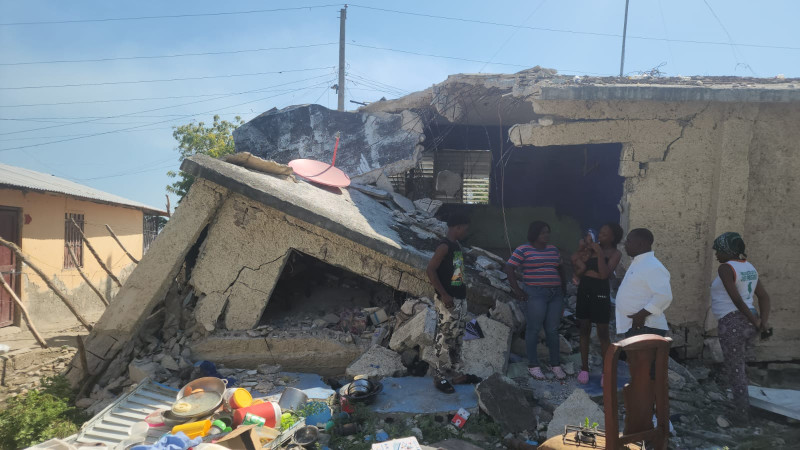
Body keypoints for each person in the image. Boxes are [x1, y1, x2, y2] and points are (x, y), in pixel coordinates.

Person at [710, 232, 771, 418]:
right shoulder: (749, 267)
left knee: (735, 368)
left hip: (732, 321)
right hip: (750, 319)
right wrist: (762, 323)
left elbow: (735, 299)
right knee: (741, 366)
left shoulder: (726, 268)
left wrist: (756, 321)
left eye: (719, 250)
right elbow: (764, 296)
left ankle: (741, 413)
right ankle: (744, 404)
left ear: (728, 251)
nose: (716, 254)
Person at [505, 221, 567, 380]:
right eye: (543, 233)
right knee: (533, 328)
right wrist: (517, 290)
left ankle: (556, 364)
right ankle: (533, 365)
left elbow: (560, 268)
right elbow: (509, 268)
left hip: (555, 294)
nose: (546, 235)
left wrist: (563, 289)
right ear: (534, 234)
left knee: (552, 330)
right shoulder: (523, 249)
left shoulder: (553, 250)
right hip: (535, 293)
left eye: (547, 232)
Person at [572, 223, 623, 385]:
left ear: (613, 237)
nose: (600, 236)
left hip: (600, 291)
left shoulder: (615, 253)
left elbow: (604, 275)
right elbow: (576, 262)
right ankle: (584, 369)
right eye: (600, 233)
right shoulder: (590, 248)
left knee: (602, 332)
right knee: (584, 329)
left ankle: (606, 372)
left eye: (605, 234)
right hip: (585, 289)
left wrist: (600, 254)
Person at [426, 211, 471, 393]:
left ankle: (453, 373)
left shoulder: (456, 245)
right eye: (465, 229)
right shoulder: (444, 246)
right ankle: (439, 377)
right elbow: (430, 270)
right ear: (457, 227)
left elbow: (457, 273)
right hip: (448, 300)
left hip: (459, 299)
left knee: (456, 338)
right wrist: (444, 295)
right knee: (443, 338)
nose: (466, 232)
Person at [615, 228, 672, 338]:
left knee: (644, 356)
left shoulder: (652, 266)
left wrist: (640, 316)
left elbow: (664, 296)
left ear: (641, 244)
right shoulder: (638, 263)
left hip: (646, 327)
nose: (625, 245)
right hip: (637, 327)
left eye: (629, 241)